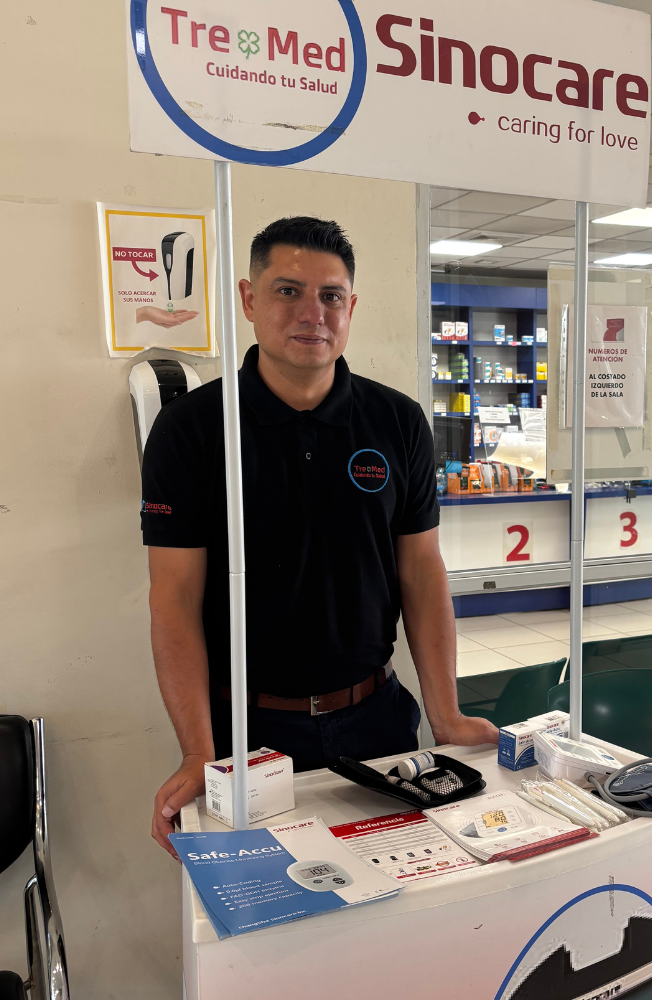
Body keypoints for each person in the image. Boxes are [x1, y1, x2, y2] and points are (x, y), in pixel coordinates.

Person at [142, 216, 498, 857]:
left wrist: (445, 714)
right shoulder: (191, 429)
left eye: (331, 296)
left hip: (377, 723)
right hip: (244, 734)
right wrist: (198, 752)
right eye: (288, 291)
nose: (313, 313)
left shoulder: (397, 421)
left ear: (351, 307)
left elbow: (421, 572)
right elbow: (173, 598)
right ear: (249, 300)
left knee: (400, 891)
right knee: (264, 904)